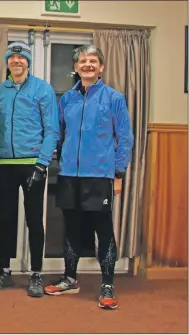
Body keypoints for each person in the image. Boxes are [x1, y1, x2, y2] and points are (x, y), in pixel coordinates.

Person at [44, 45, 133, 310]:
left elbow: (125, 138)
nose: (88, 65)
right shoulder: (67, 99)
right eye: (83, 61)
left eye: (93, 61)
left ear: (101, 67)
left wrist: (118, 173)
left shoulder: (113, 98)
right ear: (76, 67)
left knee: (103, 231)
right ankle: (70, 278)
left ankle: (107, 284)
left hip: (100, 176)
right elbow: (58, 133)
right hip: (70, 174)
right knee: (71, 229)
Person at [0, 41, 59, 297]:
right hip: (3, 165)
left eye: (21, 57)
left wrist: (42, 163)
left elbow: (51, 130)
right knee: (5, 220)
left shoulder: (42, 89)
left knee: (34, 220)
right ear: (7, 62)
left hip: (32, 165)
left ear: (28, 62)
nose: (16, 61)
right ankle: (4, 270)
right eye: (12, 57)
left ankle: (36, 273)